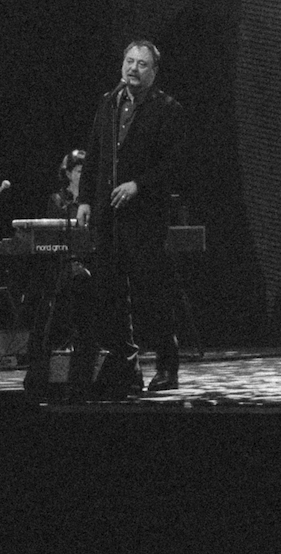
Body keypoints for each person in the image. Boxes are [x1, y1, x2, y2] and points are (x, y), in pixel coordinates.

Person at [73, 39, 188, 393]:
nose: (132, 69)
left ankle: (167, 367)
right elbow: (94, 157)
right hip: (108, 215)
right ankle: (126, 362)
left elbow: (174, 165)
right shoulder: (108, 104)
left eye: (141, 64)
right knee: (109, 291)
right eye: (128, 62)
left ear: (153, 71)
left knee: (151, 292)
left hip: (145, 217)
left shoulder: (167, 109)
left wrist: (139, 184)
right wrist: (85, 200)